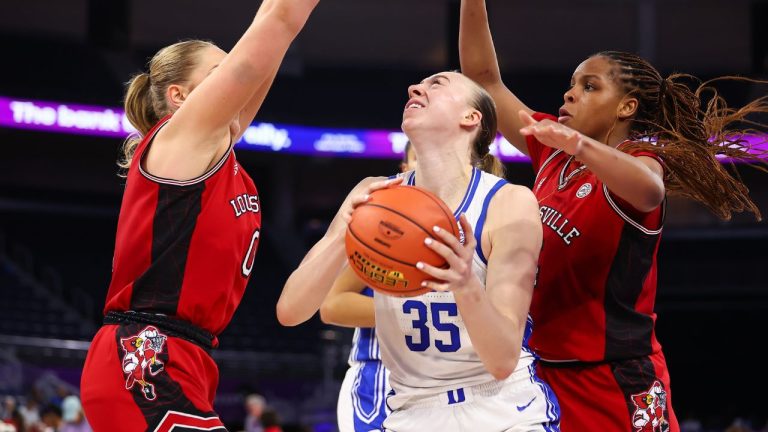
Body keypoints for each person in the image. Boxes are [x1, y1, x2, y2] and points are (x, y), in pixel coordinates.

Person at [458, 1, 768, 430]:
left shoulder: (638, 158)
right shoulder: (553, 152)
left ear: (625, 108)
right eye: (572, 84)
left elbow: (650, 189)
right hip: (542, 371)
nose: (569, 93)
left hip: (615, 376)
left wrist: (577, 144)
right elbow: (483, 78)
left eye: (589, 86)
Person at [79, 1, 320, 430]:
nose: (233, 81)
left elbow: (273, 32)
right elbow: (282, 21)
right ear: (181, 96)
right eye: (218, 73)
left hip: (186, 354)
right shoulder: (181, 140)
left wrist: (275, 25)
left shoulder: (216, 151)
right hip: (143, 353)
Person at [278, 71, 560, 431]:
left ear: (470, 118)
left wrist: (464, 284)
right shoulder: (375, 197)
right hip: (412, 411)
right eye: (417, 85)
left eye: (437, 84)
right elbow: (291, 311)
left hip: (502, 408)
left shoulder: (509, 203)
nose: (415, 88)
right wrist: (338, 236)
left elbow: (503, 359)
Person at [318, 143, 417, 432]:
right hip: (381, 383)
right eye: (417, 157)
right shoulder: (386, 227)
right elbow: (332, 306)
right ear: (403, 170)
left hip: (455, 381)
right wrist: (420, 310)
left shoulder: (481, 219)